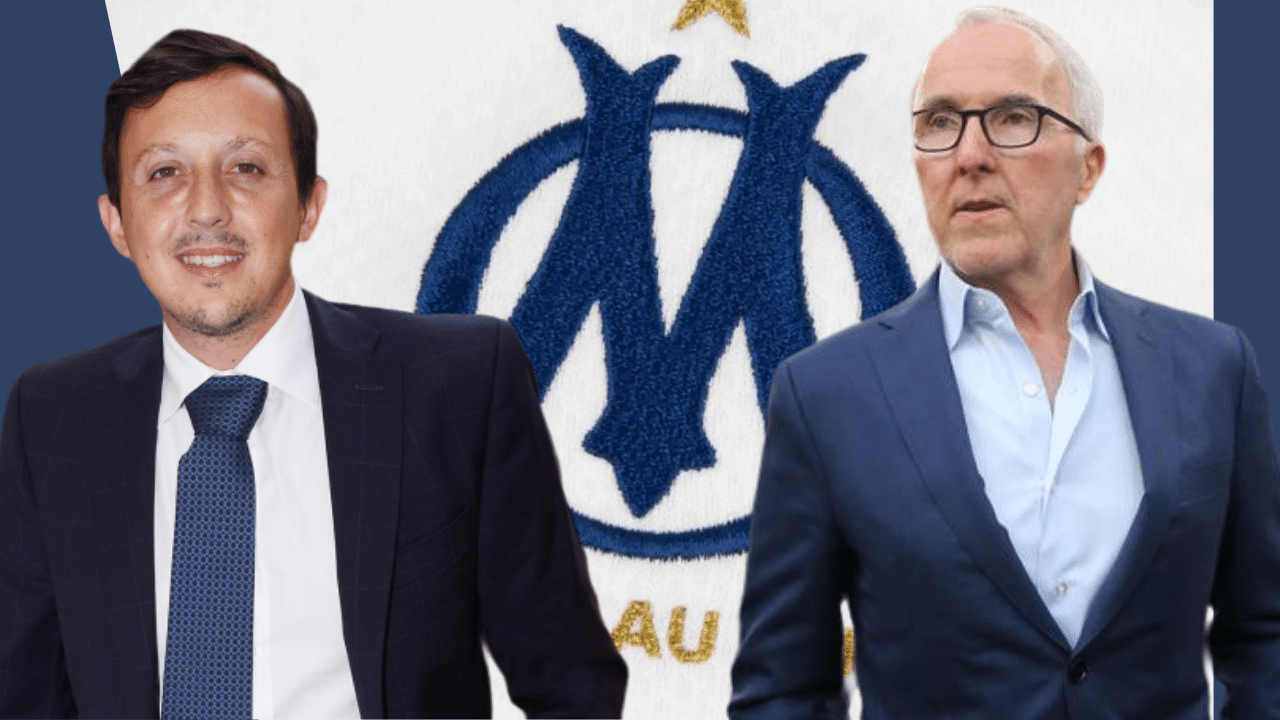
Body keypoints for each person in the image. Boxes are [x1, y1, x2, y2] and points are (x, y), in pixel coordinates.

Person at [0, 29, 626, 718]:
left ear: (309, 206)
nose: (206, 208)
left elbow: (571, 683)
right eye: (164, 173)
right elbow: (26, 694)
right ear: (116, 223)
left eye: (246, 167)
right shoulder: (51, 415)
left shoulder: (459, 386)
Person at [730, 7, 1280, 718]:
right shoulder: (824, 395)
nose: (970, 155)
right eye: (940, 122)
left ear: (1087, 169)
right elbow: (780, 691)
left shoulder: (1213, 370)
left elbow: (1265, 633)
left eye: (1013, 118)